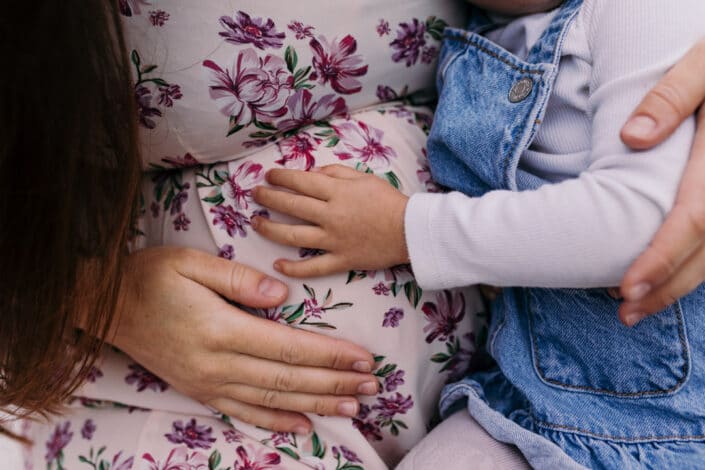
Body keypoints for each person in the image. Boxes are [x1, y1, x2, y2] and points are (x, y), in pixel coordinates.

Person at [3, 0, 705, 469]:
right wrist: (92, 294)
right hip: (187, 400)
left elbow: (626, 205)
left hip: (535, 402)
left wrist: (406, 229)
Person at [249, 0, 705, 467]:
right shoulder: (484, 32)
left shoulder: (643, 10)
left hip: (668, 431)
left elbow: (635, 224)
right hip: (521, 404)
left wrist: (406, 229)